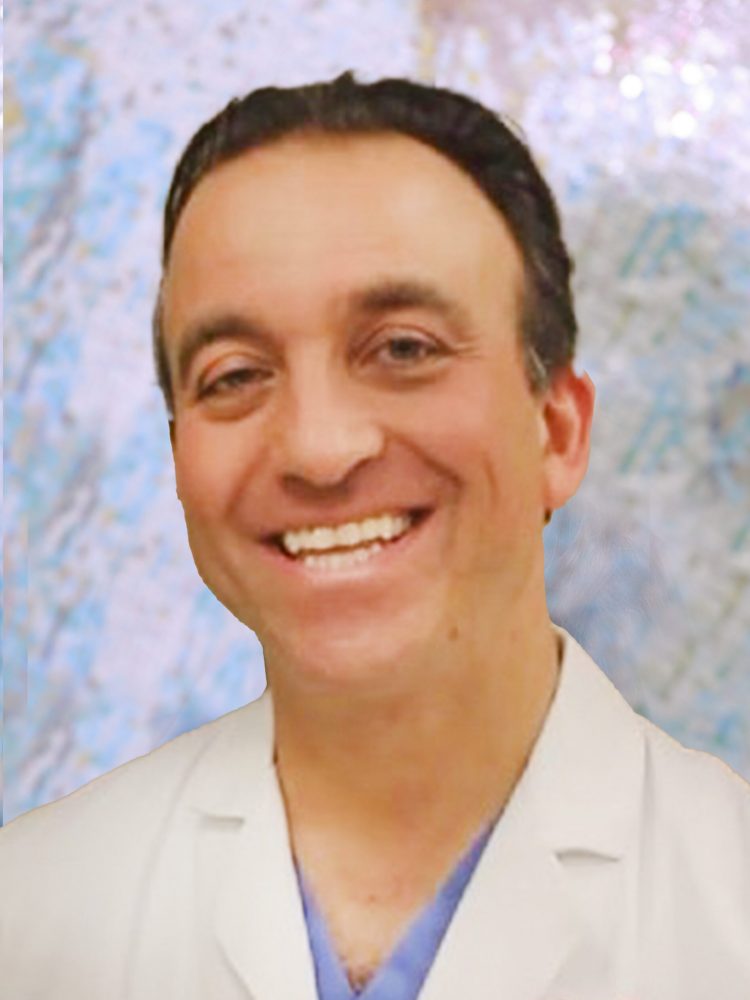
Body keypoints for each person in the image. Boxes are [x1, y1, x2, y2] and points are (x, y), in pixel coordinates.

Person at [1, 72, 748, 1000]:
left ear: (557, 431)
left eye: (403, 349)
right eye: (235, 375)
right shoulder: (29, 919)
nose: (319, 449)